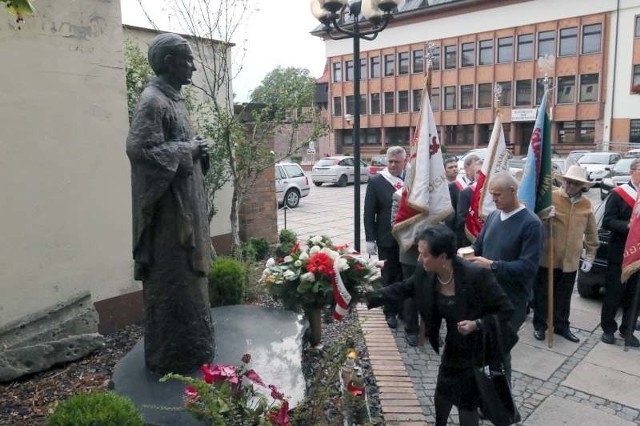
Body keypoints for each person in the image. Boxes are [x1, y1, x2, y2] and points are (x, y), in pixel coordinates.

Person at [126, 33, 214, 374]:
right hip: (169, 219)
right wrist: (187, 150)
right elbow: (141, 151)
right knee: (174, 281)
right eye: (187, 59)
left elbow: (177, 144)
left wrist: (197, 147)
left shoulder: (174, 100)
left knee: (191, 284)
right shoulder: (153, 101)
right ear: (168, 63)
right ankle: (173, 354)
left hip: (186, 206)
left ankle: (195, 346)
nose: (192, 65)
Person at [367, 225, 515, 426]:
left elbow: (506, 310)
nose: (419, 260)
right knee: (442, 393)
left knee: (467, 403)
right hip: (454, 347)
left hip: (477, 351)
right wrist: (363, 297)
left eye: (424, 255)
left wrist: (477, 324)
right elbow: (400, 289)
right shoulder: (427, 273)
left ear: (443, 257)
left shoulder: (476, 276)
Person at [467, 172, 543, 380]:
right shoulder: (493, 216)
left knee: (499, 351)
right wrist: (466, 253)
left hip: (512, 300)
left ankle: (504, 406)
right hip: (487, 294)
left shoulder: (531, 224)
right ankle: (488, 397)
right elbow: (479, 246)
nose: (494, 199)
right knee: (486, 347)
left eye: (498, 194)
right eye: (491, 194)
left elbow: (528, 268)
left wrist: (492, 265)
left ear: (513, 191)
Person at [532, 166, 598, 343]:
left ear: (581, 186)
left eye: (575, 183)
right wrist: (543, 216)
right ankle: (540, 325)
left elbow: (591, 233)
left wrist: (590, 256)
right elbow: (532, 223)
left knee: (564, 295)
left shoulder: (586, 204)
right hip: (548, 257)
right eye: (568, 182)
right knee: (543, 294)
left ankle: (561, 326)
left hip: (570, 260)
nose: (570, 186)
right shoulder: (551, 198)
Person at [364, 146, 407, 329]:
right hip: (385, 240)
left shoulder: (411, 180)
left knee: (404, 277)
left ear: (404, 162)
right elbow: (369, 212)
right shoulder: (376, 181)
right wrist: (369, 239)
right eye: (390, 161)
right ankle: (390, 312)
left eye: (397, 162)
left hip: (408, 240)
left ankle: (405, 310)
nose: (393, 165)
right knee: (388, 278)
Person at [600, 158, 640, 347]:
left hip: (638, 256)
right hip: (619, 253)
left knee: (635, 295)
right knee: (614, 293)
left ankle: (628, 330)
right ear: (633, 171)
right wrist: (628, 226)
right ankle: (608, 329)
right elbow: (607, 221)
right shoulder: (619, 193)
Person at [391, 189, 420, 346]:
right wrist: (421, 239)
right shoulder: (399, 195)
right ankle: (412, 329)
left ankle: (428, 328)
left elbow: (444, 219)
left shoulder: (436, 191)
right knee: (411, 292)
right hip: (410, 251)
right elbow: (395, 225)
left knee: (432, 291)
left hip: (433, 251)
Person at [453, 158, 483, 247]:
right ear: (474, 175)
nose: (482, 175)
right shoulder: (466, 193)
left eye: (484, 172)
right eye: (478, 172)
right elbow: (461, 219)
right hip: (471, 239)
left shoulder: (494, 192)